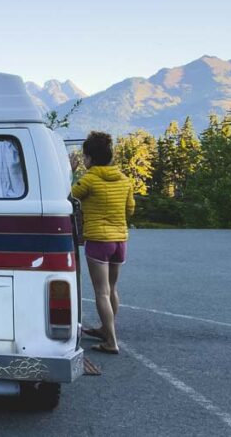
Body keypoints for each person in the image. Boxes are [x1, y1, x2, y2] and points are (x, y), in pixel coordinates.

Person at [70, 131, 135, 354]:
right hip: (120, 240)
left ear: (89, 158)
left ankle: (111, 342)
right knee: (112, 289)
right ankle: (106, 330)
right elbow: (130, 209)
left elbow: (69, 196)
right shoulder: (125, 179)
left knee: (101, 292)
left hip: (98, 240)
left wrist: (71, 171)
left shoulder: (89, 179)